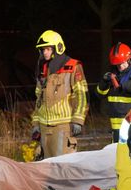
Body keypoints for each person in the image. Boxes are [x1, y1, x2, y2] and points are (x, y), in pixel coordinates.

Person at [30, 30, 88, 158]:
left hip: (63, 126)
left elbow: (82, 95)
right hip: (45, 128)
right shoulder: (43, 70)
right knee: (46, 167)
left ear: (58, 48)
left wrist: (78, 120)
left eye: (48, 49)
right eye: (42, 50)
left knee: (63, 166)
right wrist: (35, 124)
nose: (45, 52)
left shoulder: (73, 67)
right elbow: (39, 100)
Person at [97, 43, 131, 143]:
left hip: (130, 122)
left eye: (121, 63)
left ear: (128, 60)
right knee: (115, 151)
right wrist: (104, 82)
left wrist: (122, 85)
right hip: (115, 125)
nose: (120, 66)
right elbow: (99, 94)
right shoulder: (113, 75)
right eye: (117, 64)